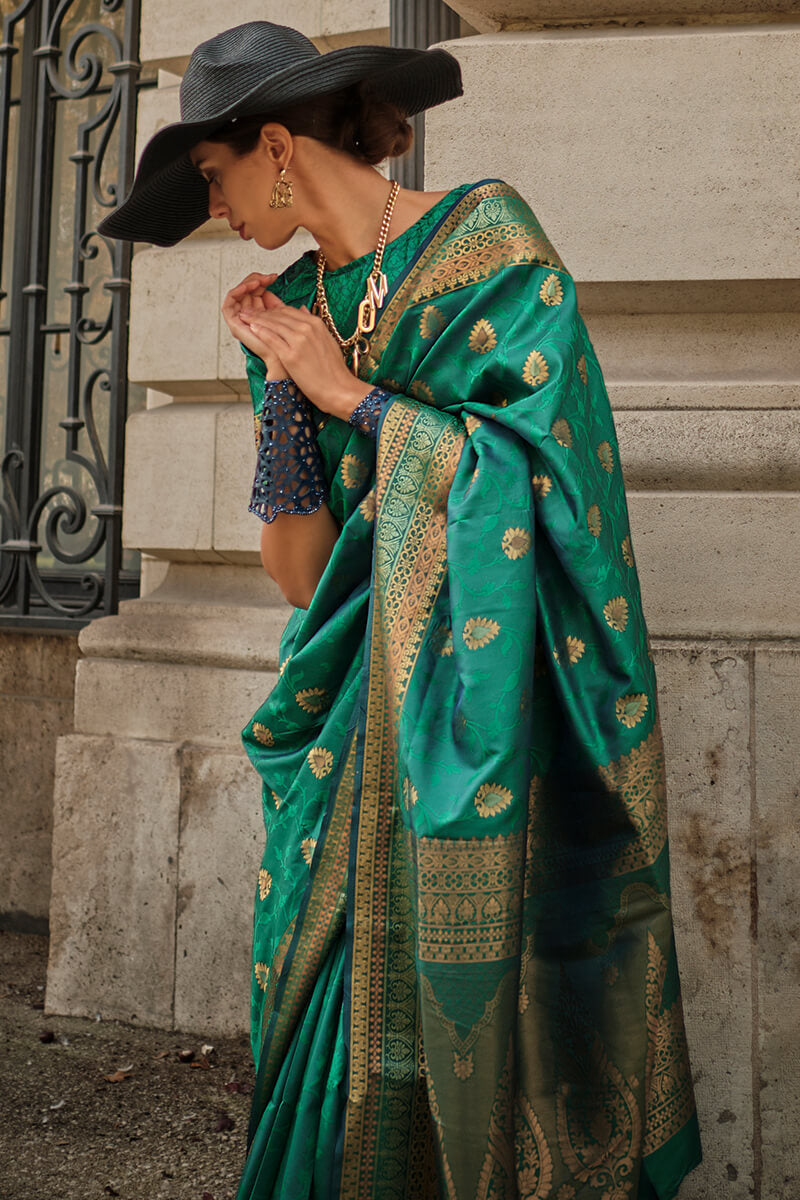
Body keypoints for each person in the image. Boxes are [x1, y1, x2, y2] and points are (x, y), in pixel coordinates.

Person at [99, 19, 703, 1200]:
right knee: (323, 1004)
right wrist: (286, 396)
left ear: (275, 145)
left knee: (492, 999)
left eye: (212, 177)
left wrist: (350, 394)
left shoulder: (488, 243)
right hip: (347, 722)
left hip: (496, 712)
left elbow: (550, 489)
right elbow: (296, 576)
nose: (214, 210)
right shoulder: (292, 303)